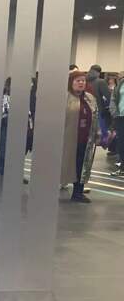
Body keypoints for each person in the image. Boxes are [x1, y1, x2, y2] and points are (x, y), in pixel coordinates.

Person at [62, 70, 98, 202]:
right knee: (65, 165)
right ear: (71, 82)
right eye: (78, 81)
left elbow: (96, 115)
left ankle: (78, 193)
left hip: (86, 139)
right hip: (68, 138)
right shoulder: (65, 97)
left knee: (82, 166)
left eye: (83, 80)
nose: (81, 83)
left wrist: (98, 133)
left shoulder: (90, 98)